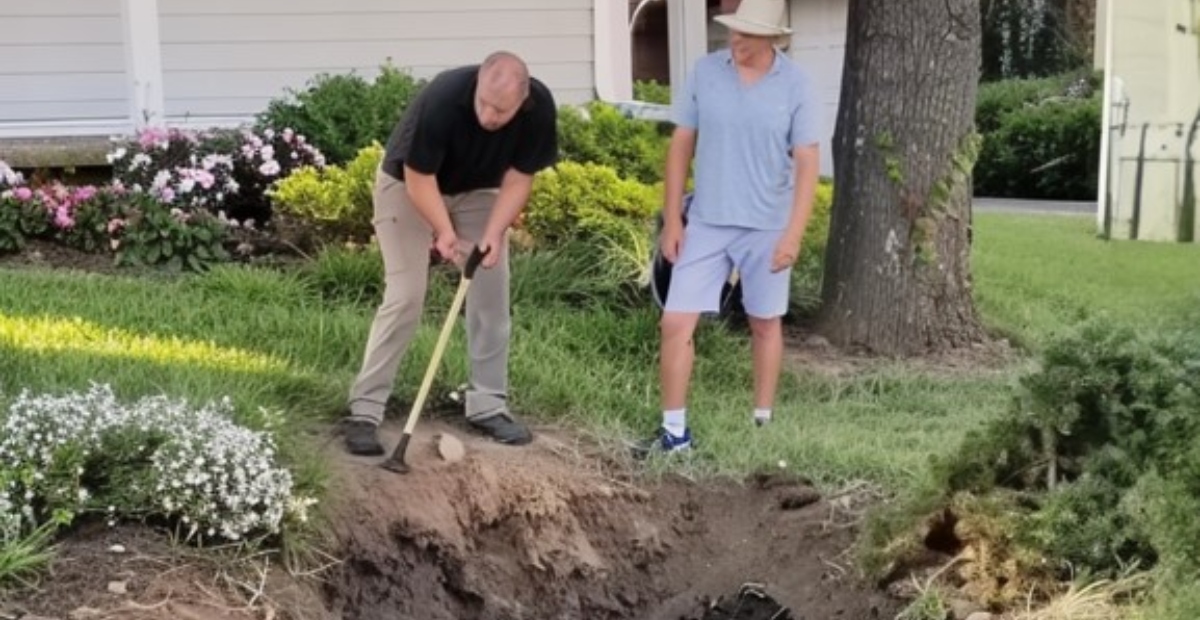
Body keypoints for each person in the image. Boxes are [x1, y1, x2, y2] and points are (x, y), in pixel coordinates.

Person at [342, 51, 558, 456]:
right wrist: (442, 231)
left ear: (523, 102)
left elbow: (518, 179)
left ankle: (488, 405)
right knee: (406, 295)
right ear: (477, 84)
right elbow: (418, 176)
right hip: (408, 186)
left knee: (491, 292)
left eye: (501, 111)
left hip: (478, 190)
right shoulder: (444, 97)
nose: (490, 117)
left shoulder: (539, 109)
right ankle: (365, 410)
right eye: (485, 105)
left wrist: (493, 232)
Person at [645, 0, 821, 453]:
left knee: (764, 322)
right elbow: (681, 145)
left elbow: (807, 163)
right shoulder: (706, 72)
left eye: (746, 34)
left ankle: (762, 420)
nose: (734, 40)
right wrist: (672, 220)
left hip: (767, 225)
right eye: (731, 31)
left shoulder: (796, 84)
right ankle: (674, 432)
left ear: (773, 38)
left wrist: (793, 235)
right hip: (706, 221)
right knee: (675, 321)